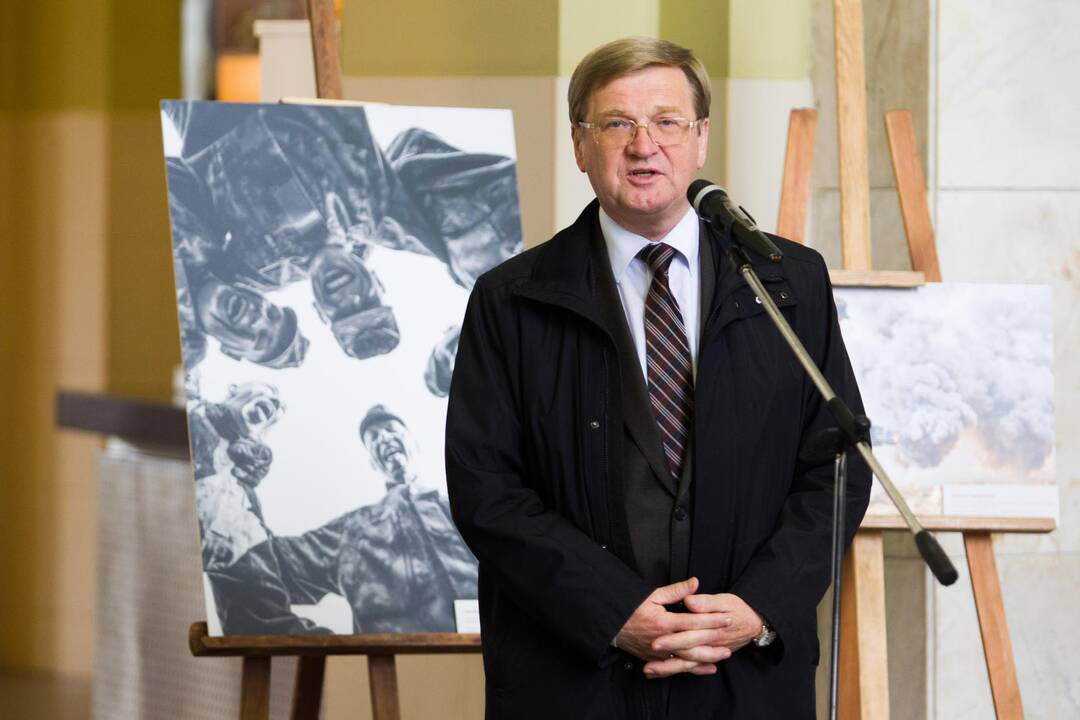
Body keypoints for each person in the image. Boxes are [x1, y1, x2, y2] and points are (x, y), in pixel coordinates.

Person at [445, 37, 871, 718]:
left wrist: (757, 606)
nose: (645, 146)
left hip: (746, 676)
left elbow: (834, 469)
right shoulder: (513, 298)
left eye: (668, 122)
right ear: (580, 146)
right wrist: (615, 612)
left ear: (701, 140)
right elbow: (488, 492)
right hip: (576, 677)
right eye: (617, 123)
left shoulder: (787, 285)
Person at [272, 405, 478, 633]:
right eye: (374, 438)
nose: (384, 439)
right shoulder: (352, 530)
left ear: (415, 444)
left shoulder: (473, 509)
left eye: (391, 430)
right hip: (408, 664)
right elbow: (267, 564)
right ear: (373, 462)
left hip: (497, 656)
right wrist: (318, 643)